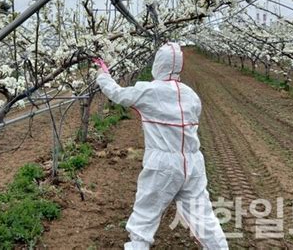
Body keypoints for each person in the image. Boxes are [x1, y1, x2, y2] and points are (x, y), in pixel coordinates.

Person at [95, 42, 228, 250]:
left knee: (144, 219)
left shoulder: (149, 91)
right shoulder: (191, 95)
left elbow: (118, 94)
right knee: (204, 218)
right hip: (192, 164)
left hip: (163, 165)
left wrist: (103, 75)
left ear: (158, 64)